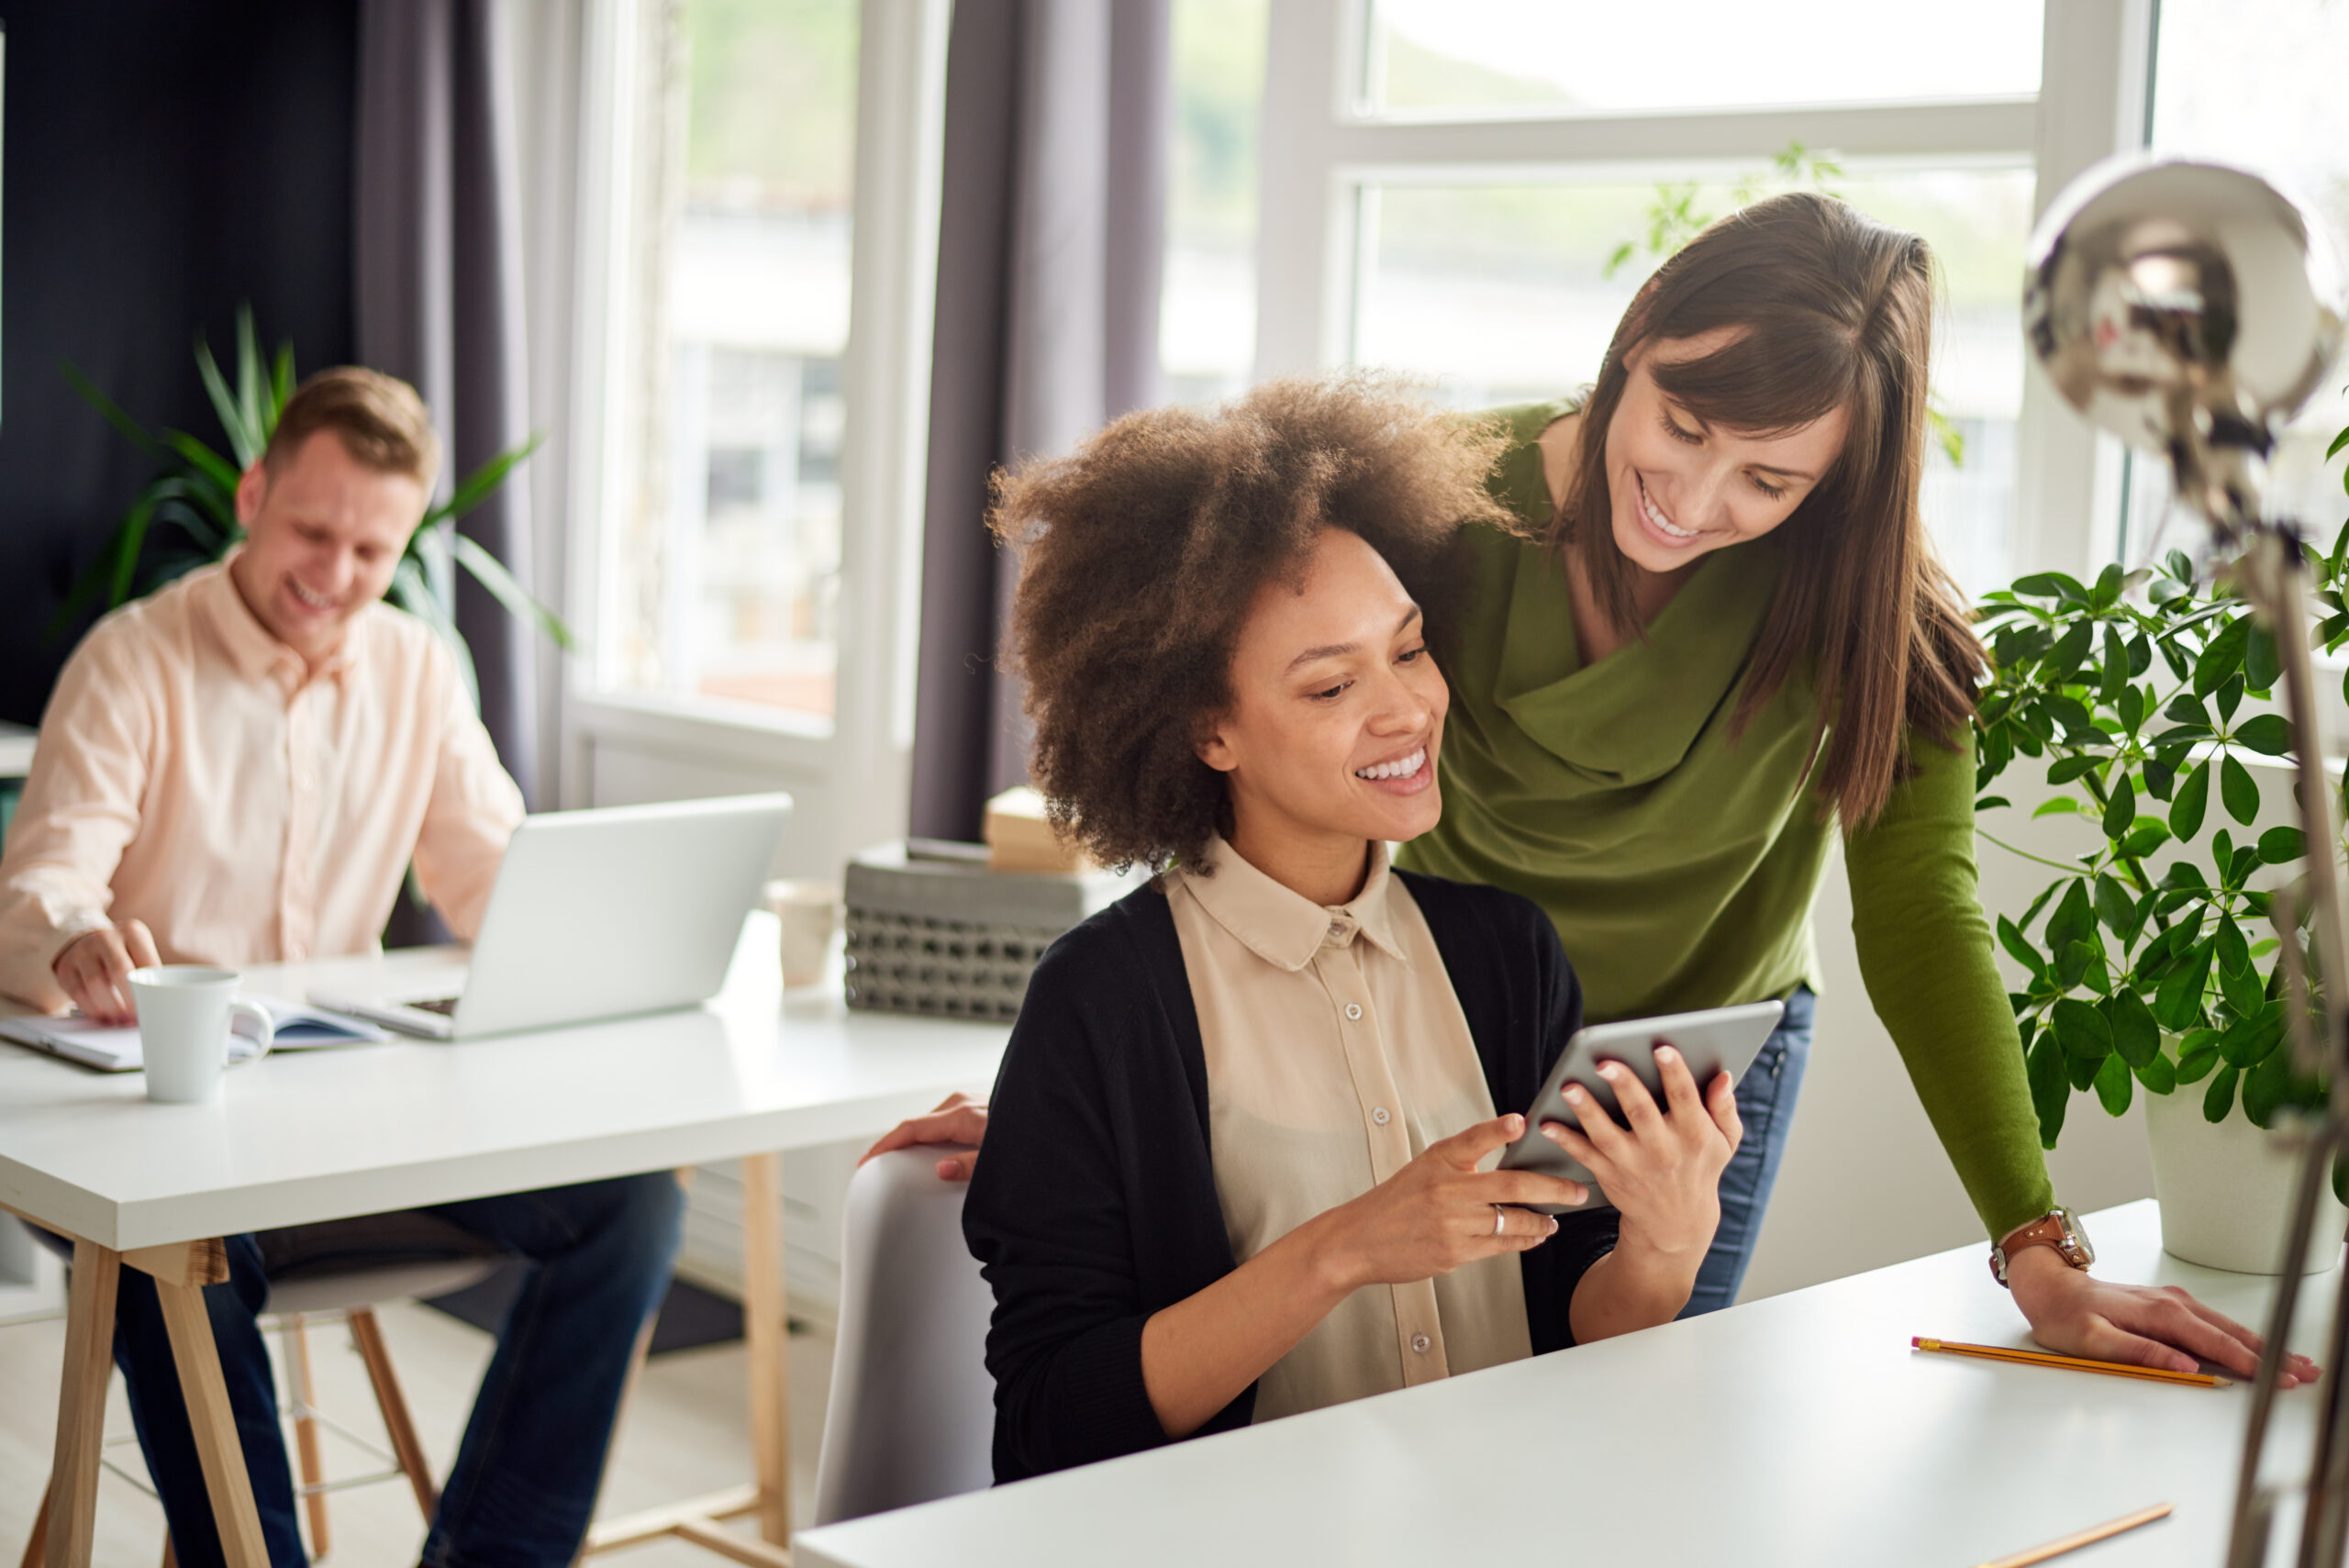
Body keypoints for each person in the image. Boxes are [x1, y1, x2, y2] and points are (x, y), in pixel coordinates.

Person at [870, 191, 2318, 1389]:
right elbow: (1252, 745)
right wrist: (1110, 1112)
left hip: (1694, 1069)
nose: (1696, 500)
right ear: (1639, 345)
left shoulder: (1873, 615)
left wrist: (2035, 1249)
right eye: (1684, 424)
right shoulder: (1441, 503)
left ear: (1838, 490)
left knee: (1613, 1414)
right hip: (1428, 1029)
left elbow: (1927, 919)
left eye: (1770, 481)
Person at [957, 378, 1744, 1481]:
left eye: (1409, 649)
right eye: (1330, 687)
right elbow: (1053, 1423)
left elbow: (1575, 1339)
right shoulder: (1102, 996)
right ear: (1209, 731)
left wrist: (1666, 1237)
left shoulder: (1505, 954)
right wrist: (1343, 1248)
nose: (1405, 709)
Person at [0, 369, 684, 1568]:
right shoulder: (132, 659)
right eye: (313, 530)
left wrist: (624, 934)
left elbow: (500, 889)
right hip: (166, 1146)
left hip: (348, 1130)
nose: (336, 573)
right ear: (254, 494)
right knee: (181, 1264)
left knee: (635, 1202)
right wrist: (73, 935)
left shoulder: (419, 670)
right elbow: (40, 880)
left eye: (373, 548)